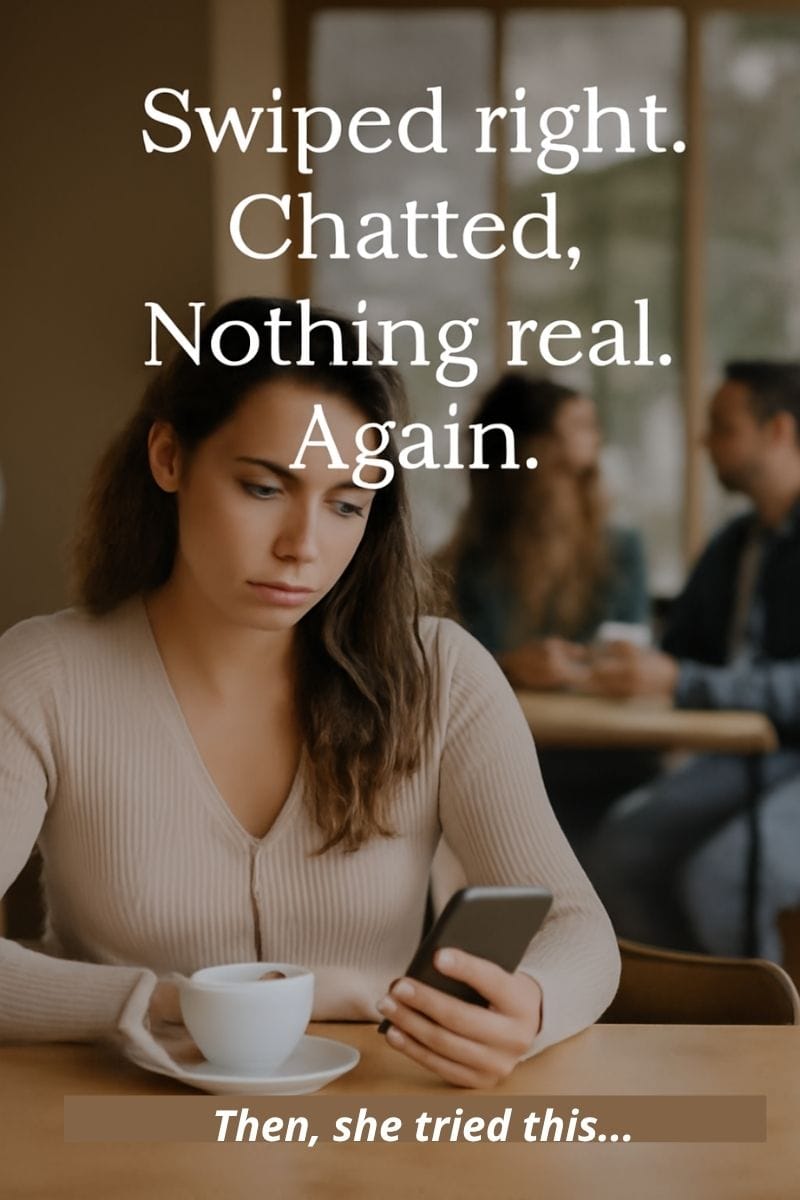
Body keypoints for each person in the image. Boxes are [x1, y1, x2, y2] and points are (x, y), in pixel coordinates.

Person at [0, 297, 619, 1088]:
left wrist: (528, 1007)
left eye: (346, 505)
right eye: (264, 489)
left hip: (372, 1126)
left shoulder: (442, 676)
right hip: (111, 1120)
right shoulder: (45, 674)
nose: (303, 547)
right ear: (169, 457)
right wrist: (171, 1003)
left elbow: (579, 929)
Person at [586, 361, 800, 961]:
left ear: (779, 431)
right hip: (747, 755)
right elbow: (679, 652)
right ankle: (688, 1005)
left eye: (722, 428)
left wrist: (684, 681)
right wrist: (603, 663)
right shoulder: (736, 544)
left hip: (785, 755)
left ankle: (756, 1022)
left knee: (723, 881)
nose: (705, 443)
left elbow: (690, 675)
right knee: (617, 853)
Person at [440, 373, 654, 849]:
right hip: (502, 759)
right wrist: (510, 666)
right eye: (578, 427)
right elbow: (447, 670)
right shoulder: (469, 561)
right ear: (529, 448)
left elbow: (627, 650)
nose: (594, 443)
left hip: (608, 757)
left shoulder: (621, 551)